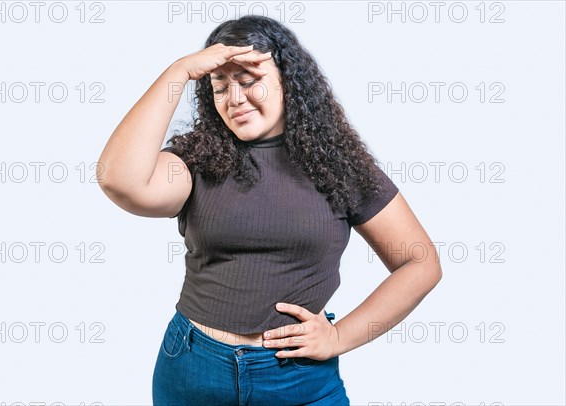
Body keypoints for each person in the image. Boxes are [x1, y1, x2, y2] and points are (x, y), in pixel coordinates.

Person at [97, 15, 442, 406]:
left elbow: (420, 263)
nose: (235, 99)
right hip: (194, 368)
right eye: (220, 86)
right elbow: (118, 180)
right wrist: (178, 71)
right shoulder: (197, 161)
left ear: (287, 81)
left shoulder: (341, 166)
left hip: (298, 378)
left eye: (248, 81)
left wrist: (339, 337)